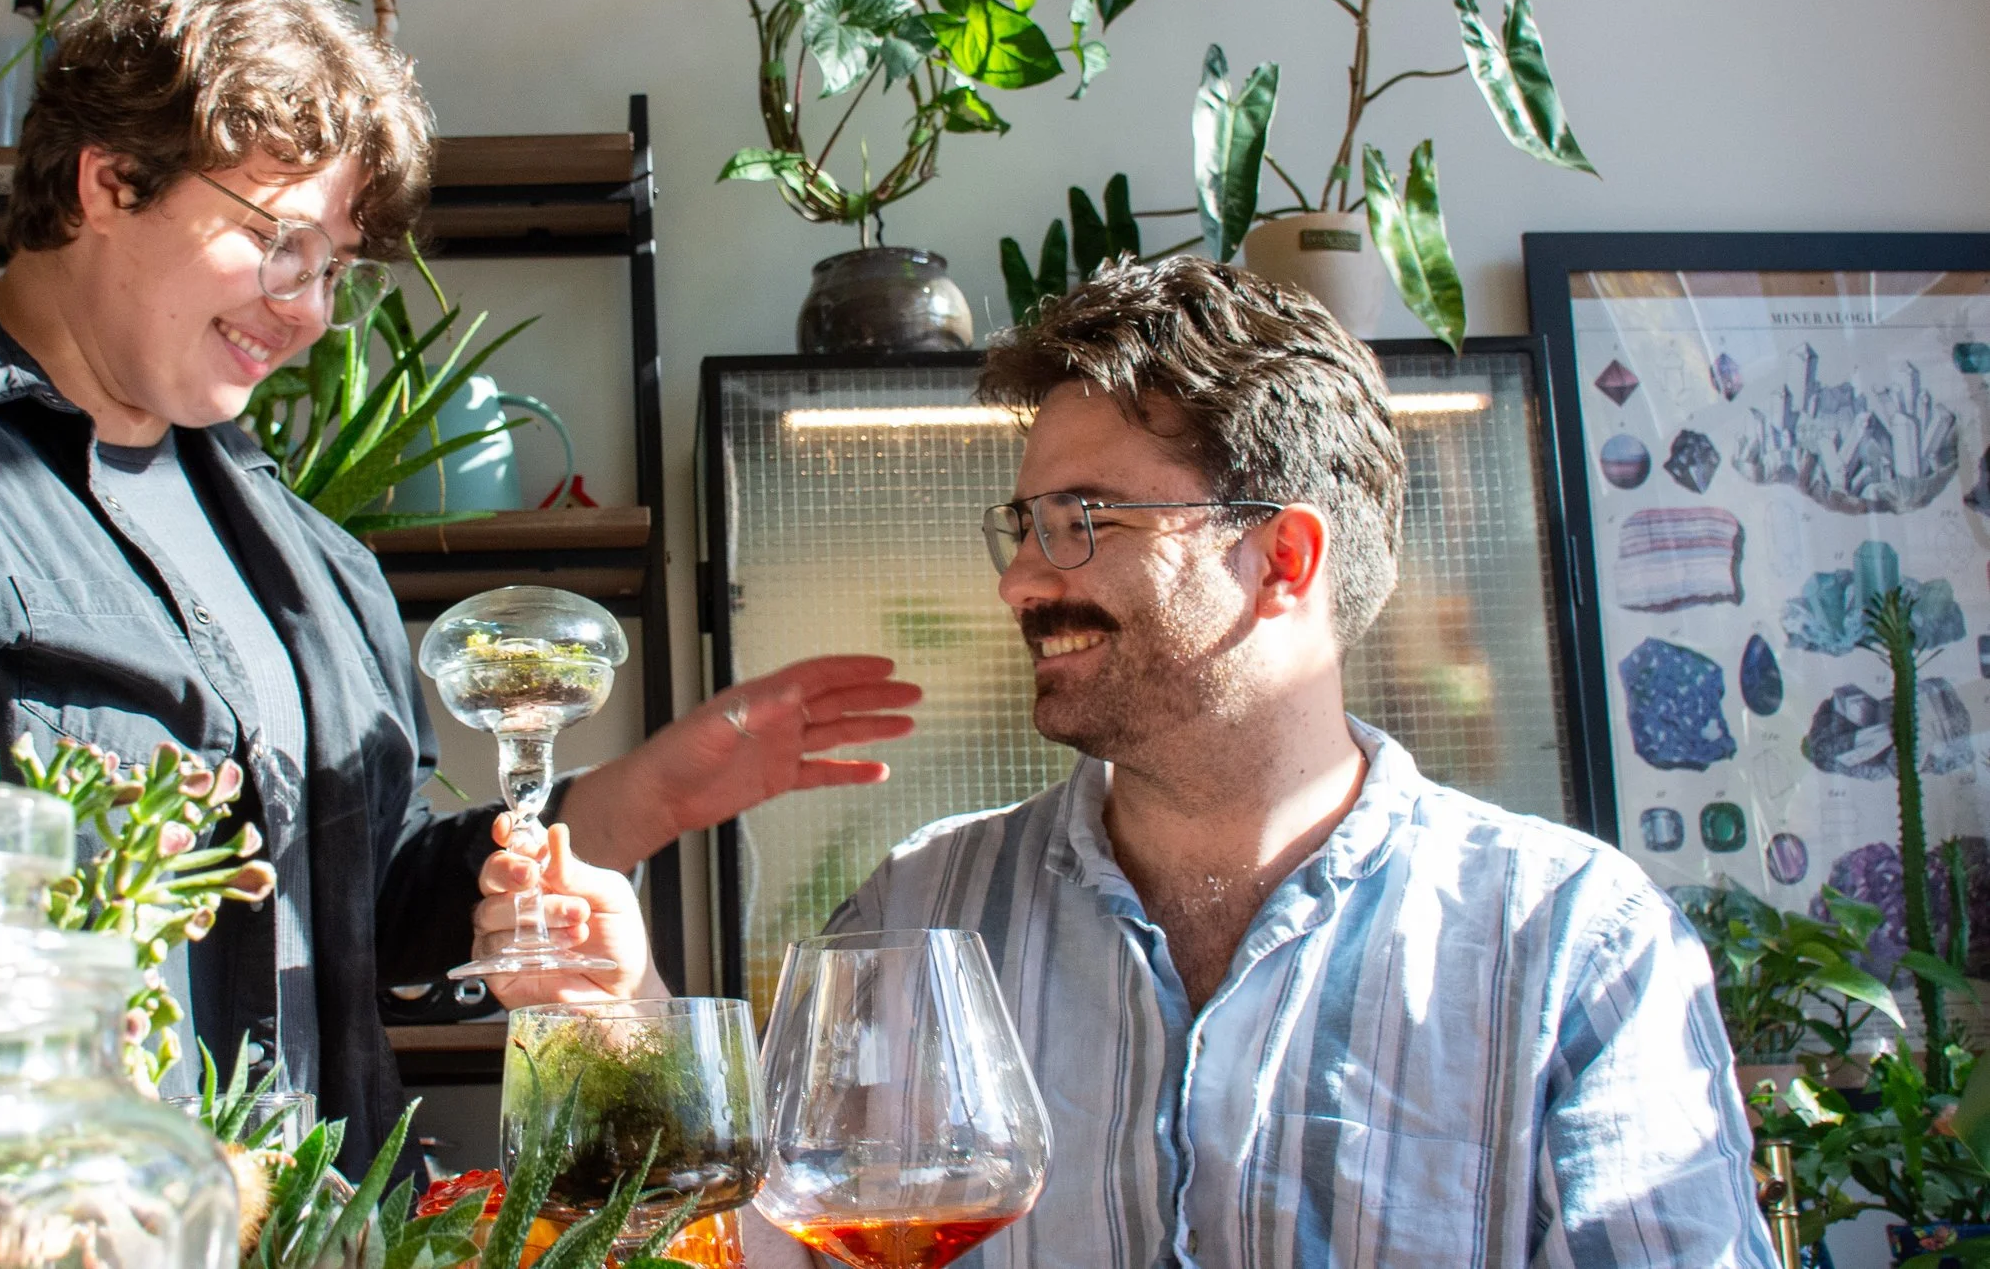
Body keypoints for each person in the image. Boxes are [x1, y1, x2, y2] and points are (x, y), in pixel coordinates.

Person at [0, 0, 918, 1160]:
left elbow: (364, 902)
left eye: (333, 264)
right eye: (278, 240)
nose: (309, 308)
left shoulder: (304, 551)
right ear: (109, 179)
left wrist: (625, 804)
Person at [498, 257, 1773, 1267]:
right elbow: (776, 1249)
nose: (1017, 577)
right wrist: (629, 1020)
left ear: (1283, 558)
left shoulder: (1569, 943)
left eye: (1080, 523)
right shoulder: (920, 912)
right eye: (1022, 523)